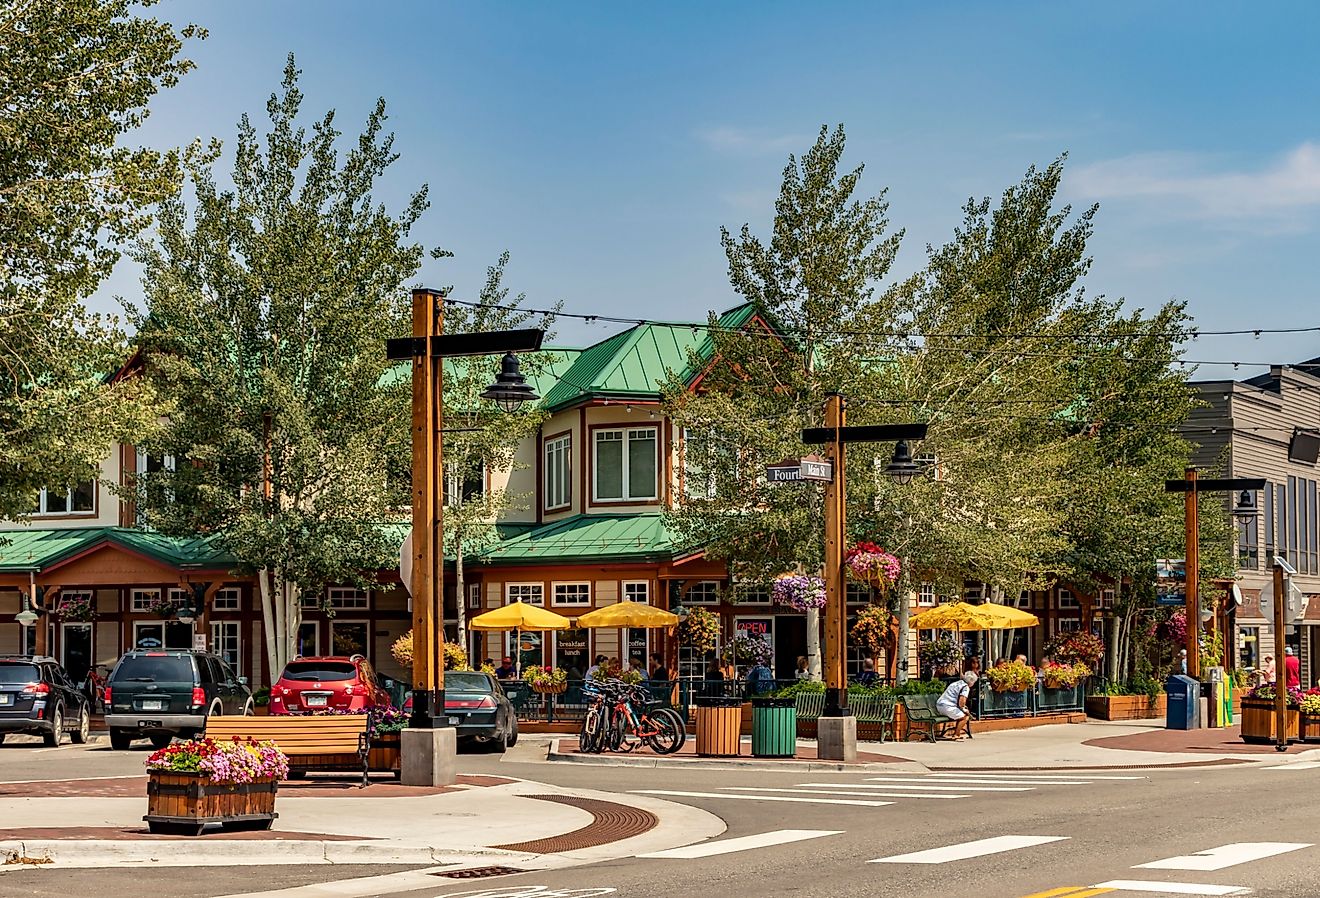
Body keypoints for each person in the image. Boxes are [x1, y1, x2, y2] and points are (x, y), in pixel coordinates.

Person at [936, 671, 977, 740]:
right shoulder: (965, 687)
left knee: (961, 715)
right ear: (971, 681)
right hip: (947, 707)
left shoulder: (956, 683)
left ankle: (956, 732)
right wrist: (965, 710)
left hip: (940, 706)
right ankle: (956, 734)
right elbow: (961, 703)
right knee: (965, 717)